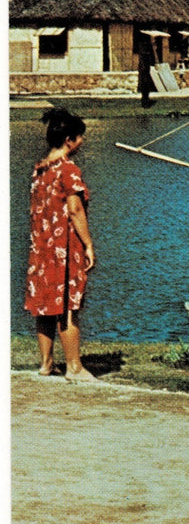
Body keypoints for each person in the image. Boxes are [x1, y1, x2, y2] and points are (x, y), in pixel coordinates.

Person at [24, 108, 98, 381]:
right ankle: (74, 367)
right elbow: (75, 209)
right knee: (68, 304)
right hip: (63, 247)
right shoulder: (68, 169)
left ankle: (46, 363)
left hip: (40, 247)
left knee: (44, 303)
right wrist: (88, 244)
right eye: (79, 138)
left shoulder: (40, 169)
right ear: (69, 139)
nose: (81, 143)